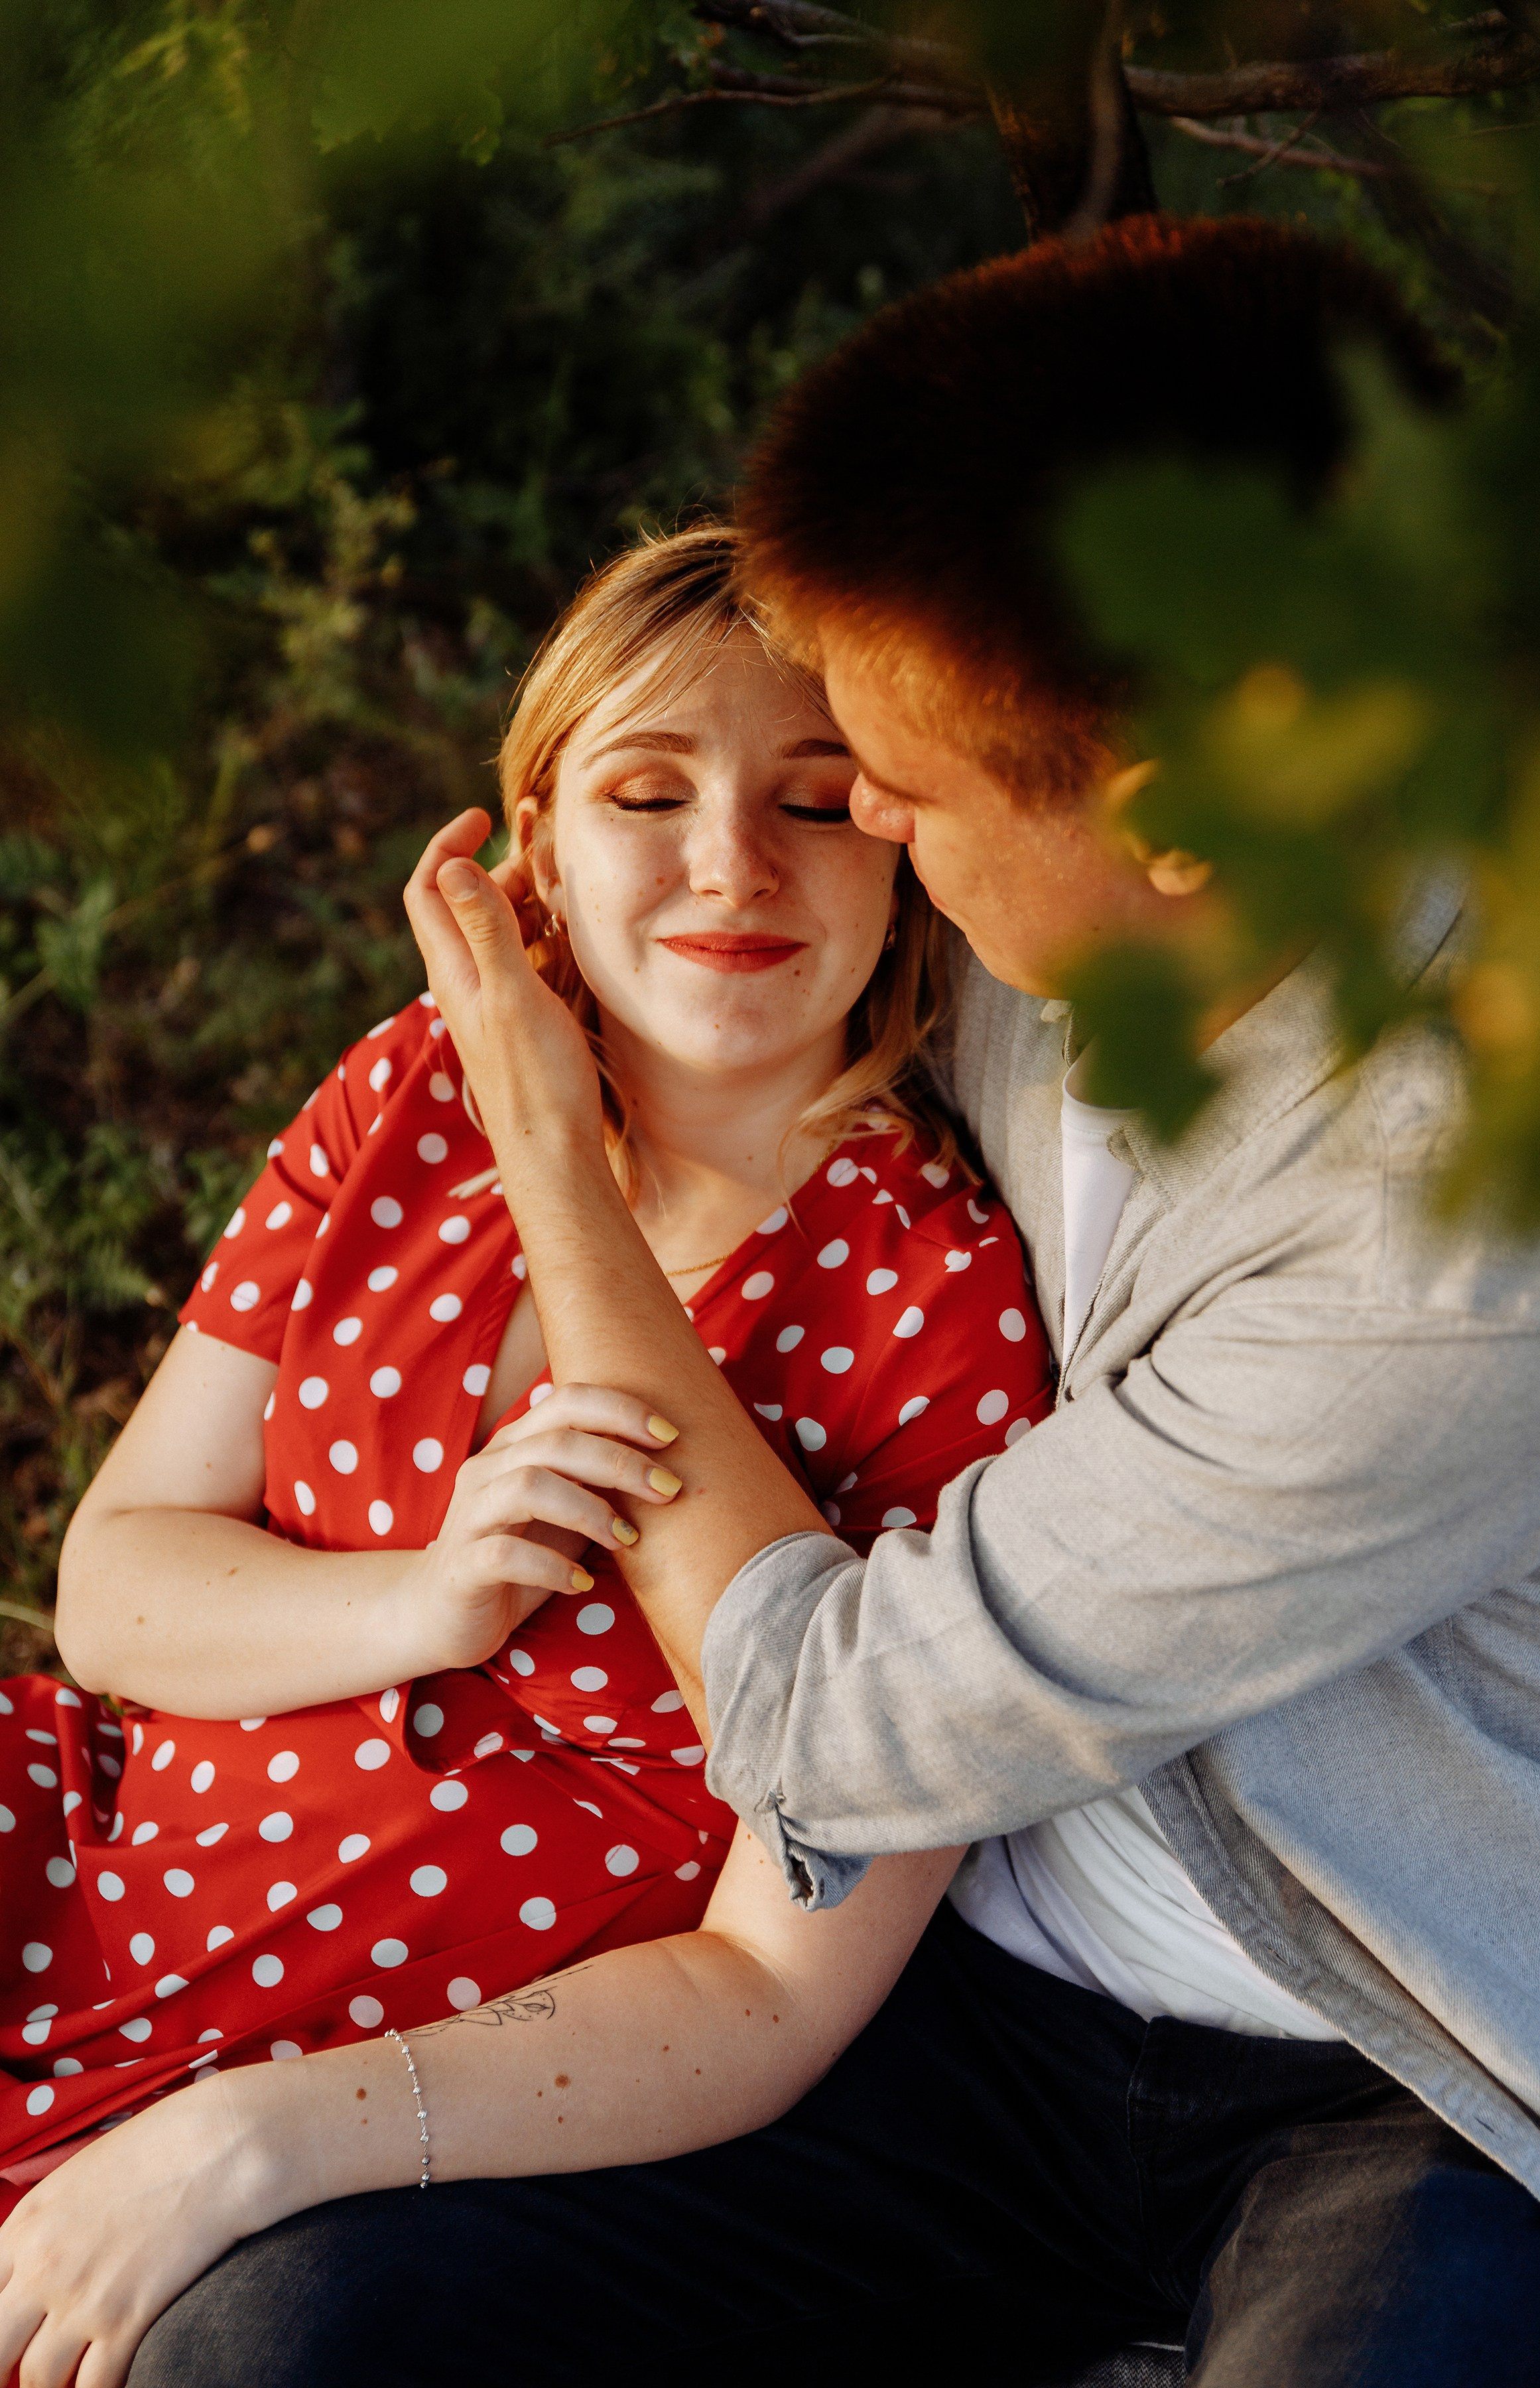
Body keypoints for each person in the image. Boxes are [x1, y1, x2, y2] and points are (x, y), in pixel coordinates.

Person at [107, 214, 1540, 2386]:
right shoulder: (1039, 915)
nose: (851, 821)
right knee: (291, 2340)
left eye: (886, 776)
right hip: (961, 2004)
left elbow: (839, 1724)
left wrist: (552, 1166)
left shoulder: (1461, 1251)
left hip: (1394, 2064)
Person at [0, 530, 1052, 2380]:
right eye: (650, 791)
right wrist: (420, 1603)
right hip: (98, 1876)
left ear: (914, 849)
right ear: (536, 840)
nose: (733, 861)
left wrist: (242, 2140)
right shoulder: (416, 1090)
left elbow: (770, 1986)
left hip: (427, 2054)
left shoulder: (943, 1307)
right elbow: (116, 1582)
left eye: (817, 803)